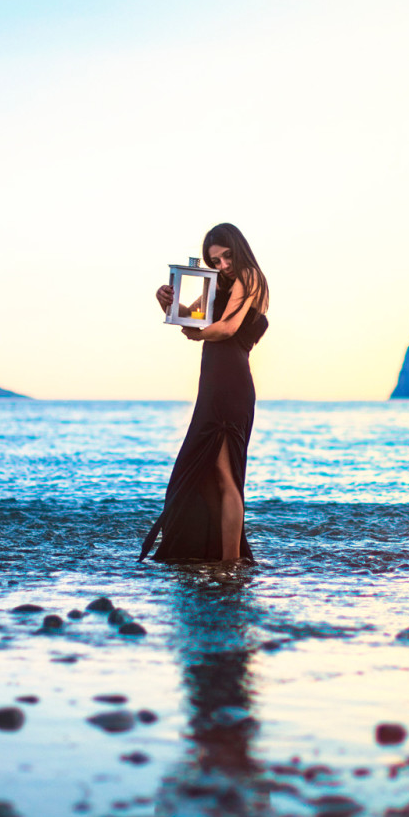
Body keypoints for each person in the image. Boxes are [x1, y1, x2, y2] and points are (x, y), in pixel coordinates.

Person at [139, 223, 270, 563]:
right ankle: (211, 556)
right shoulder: (221, 286)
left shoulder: (251, 277)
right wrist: (166, 302)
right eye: (216, 261)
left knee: (225, 477)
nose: (224, 265)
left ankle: (230, 563)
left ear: (238, 249)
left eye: (227, 257)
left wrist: (197, 335)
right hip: (213, 385)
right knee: (200, 473)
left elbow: (226, 329)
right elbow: (191, 321)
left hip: (230, 385)